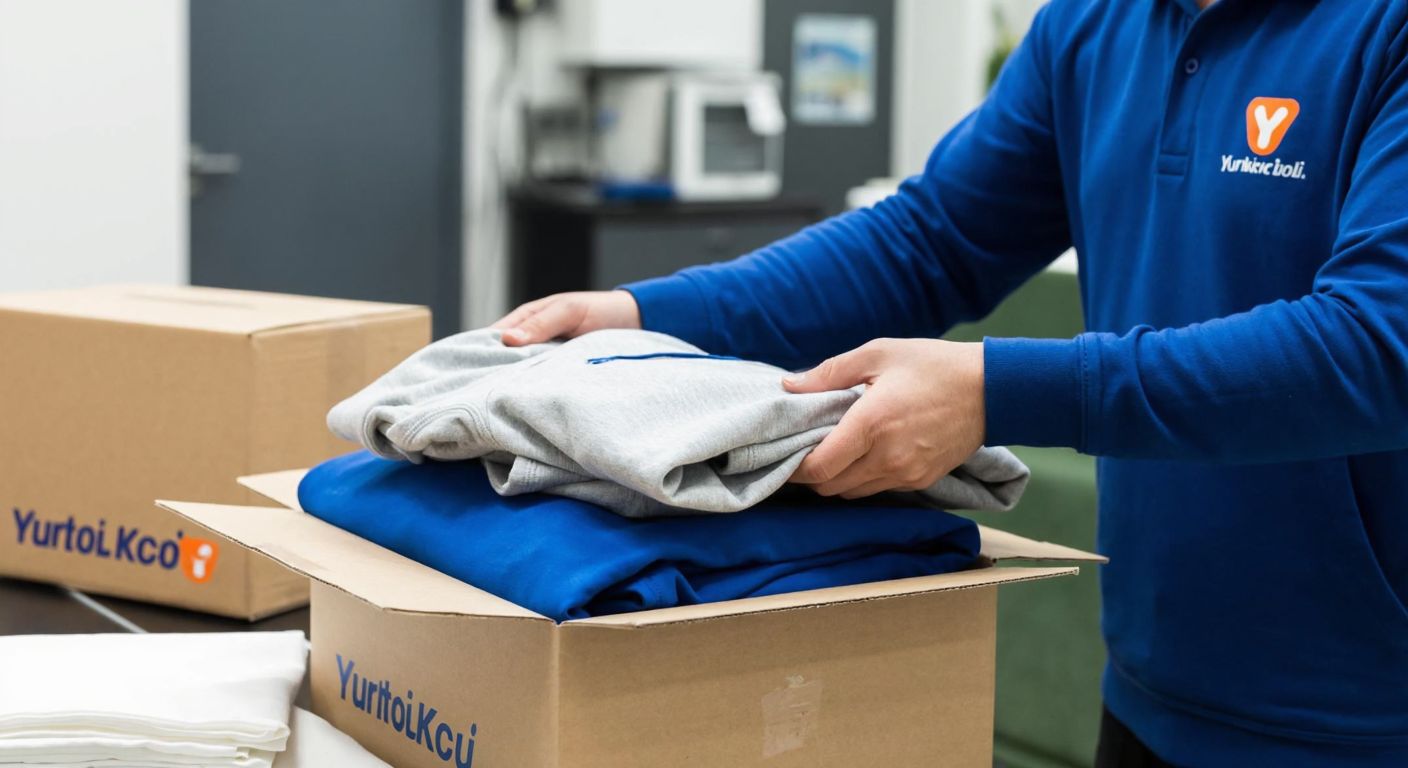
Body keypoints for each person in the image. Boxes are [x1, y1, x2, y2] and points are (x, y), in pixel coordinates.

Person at [493, 0, 1408, 764]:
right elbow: (929, 241)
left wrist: (992, 390)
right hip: (1152, 690)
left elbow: (1379, 344)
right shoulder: (1097, 23)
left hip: (1364, 717)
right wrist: (648, 314)